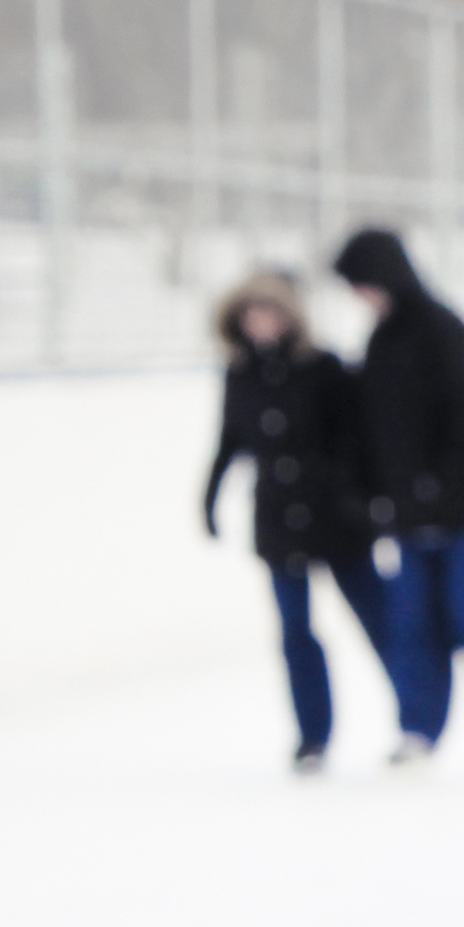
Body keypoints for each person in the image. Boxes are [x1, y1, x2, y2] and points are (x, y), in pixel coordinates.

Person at [332, 227, 464, 767]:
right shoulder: (380, 342)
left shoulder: (445, 331)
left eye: (363, 283)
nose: (361, 296)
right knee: (413, 630)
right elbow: (373, 431)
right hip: (410, 518)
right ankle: (419, 729)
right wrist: (369, 493)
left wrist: (438, 483)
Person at [198, 266, 388, 772]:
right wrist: (209, 497)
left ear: (290, 317)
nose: (260, 322)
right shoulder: (240, 374)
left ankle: (419, 717)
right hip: (278, 523)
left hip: (337, 520)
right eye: (251, 313)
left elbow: (356, 441)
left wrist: (362, 500)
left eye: (270, 312)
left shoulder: (324, 368)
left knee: (380, 620)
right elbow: (230, 441)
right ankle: (313, 737)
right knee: (295, 631)